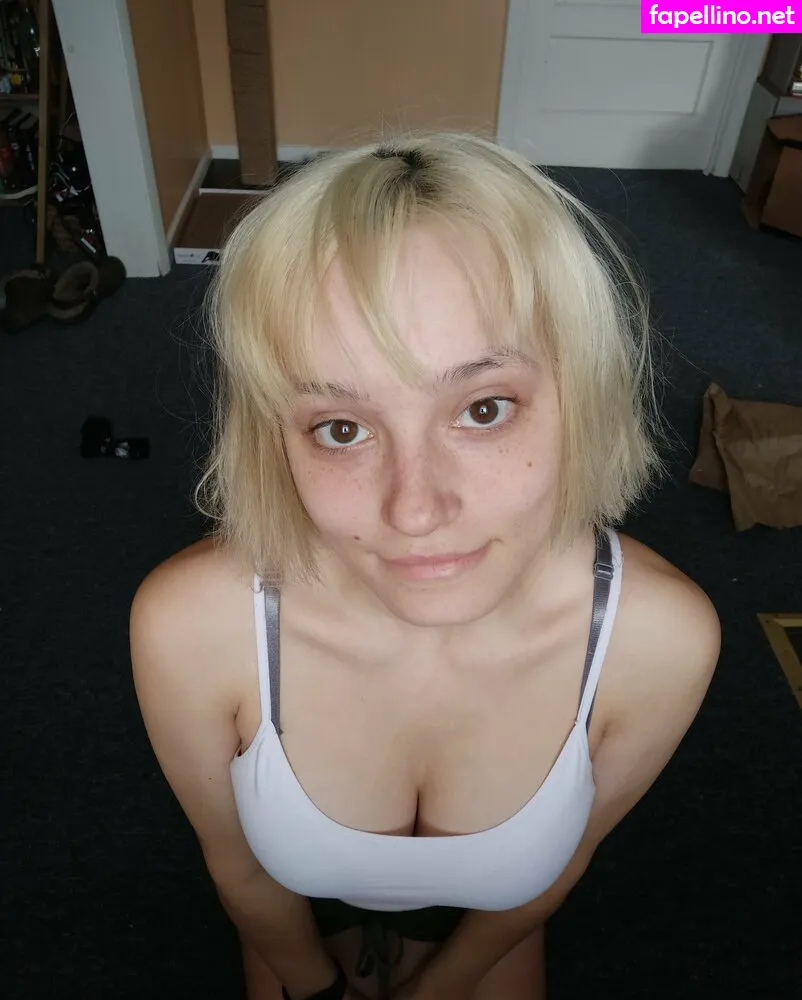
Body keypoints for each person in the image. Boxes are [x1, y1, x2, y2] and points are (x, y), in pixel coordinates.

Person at [129, 132, 720, 1000]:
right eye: (341, 428)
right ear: (274, 440)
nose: (414, 511)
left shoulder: (659, 643)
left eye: (484, 409)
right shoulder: (192, 628)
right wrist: (318, 988)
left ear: (583, 395)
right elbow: (242, 869)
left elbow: (556, 874)